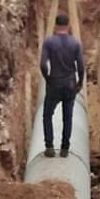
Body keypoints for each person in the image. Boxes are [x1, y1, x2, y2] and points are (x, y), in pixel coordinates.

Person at [39, 12, 85, 158]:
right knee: (68, 116)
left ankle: (50, 147)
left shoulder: (49, 42)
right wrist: (80, 82)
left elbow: (43, 64)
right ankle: (65, 148)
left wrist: (47, 78)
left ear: (56, 26)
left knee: (47, 115)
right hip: (70, 83)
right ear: (68, 26)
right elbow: (81, 66)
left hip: (54, 83)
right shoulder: (75, 43)